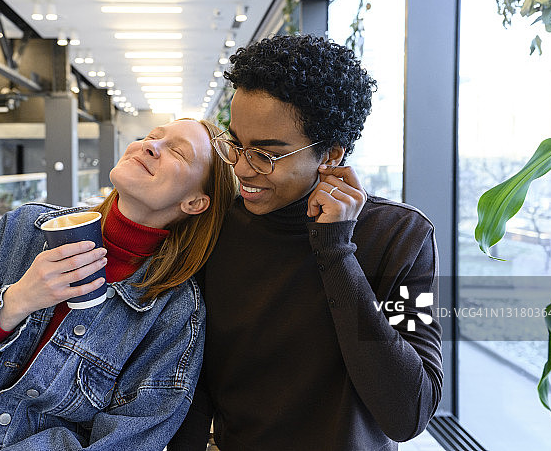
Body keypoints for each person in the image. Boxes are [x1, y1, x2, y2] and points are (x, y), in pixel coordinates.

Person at [0, 118, 237, 451]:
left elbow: (128, 439)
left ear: (195, 202)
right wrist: (16, 300)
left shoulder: (173, 311)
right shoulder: (24, 230)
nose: (149, 145)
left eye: (176, 151)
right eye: (152, 135)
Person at [169, 35, 443, 451]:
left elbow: (408, 412)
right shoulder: (216, 226)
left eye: (266, 154)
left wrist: (335, 251)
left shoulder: (400, 236)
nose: (242, 168)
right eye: (236, 144)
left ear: (331, 155)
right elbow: (193, 381)